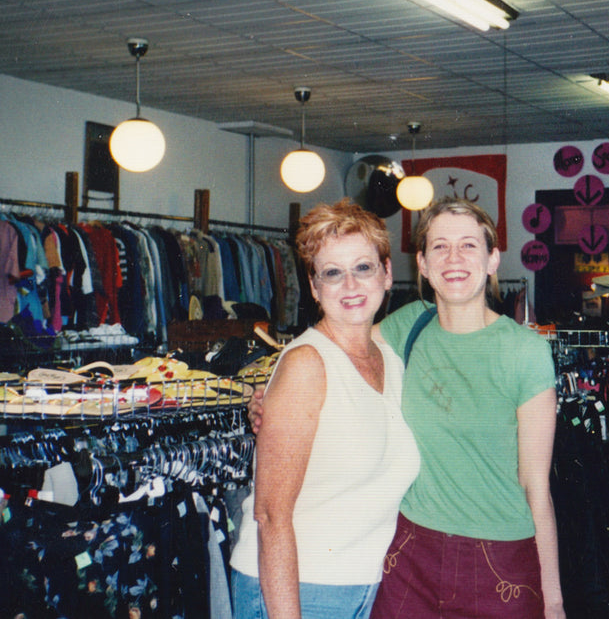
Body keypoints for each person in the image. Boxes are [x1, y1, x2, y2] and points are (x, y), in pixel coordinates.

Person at [249, 197, 565, 619]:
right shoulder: (408, 326)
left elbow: (536, 490)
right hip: (409, 557)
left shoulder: (525, 352)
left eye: (469, 245)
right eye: (439, 246)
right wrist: (270, 396)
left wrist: (555, 600)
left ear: (493, 260)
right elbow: (328, 348)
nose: (453, 258)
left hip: (500, 556)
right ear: (421, 263)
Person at [230, 199, 420, 619]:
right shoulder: (306, 364)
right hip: (297, 590)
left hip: (368, 586)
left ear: (387, 275)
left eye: (363, 268)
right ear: (314, 288)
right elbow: (270, 514)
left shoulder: (391, 360)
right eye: (332, 273)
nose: (350, 285)